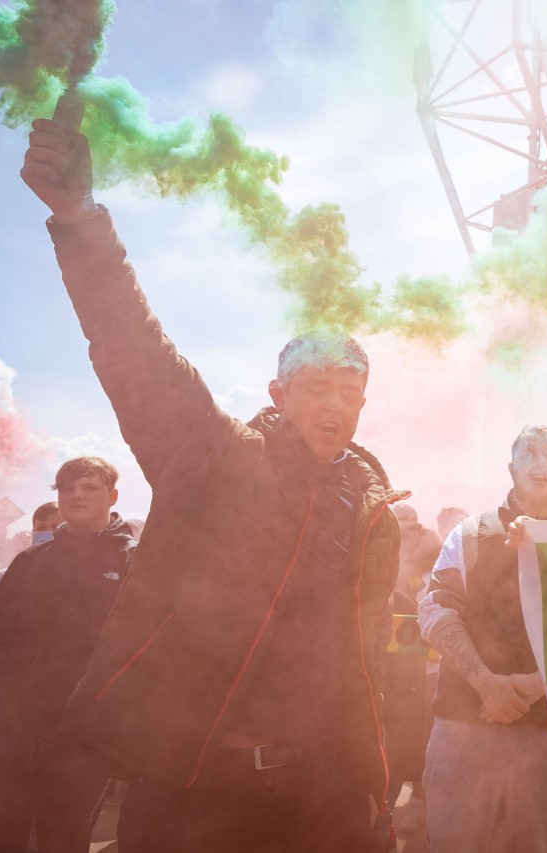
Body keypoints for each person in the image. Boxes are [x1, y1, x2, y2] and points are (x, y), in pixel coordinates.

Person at [21, 110, 403, 852]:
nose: (334, 403)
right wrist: (82, 221)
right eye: (316, 385)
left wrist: (374, 791)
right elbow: (137, 350)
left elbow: (364, 665)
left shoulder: (370, 508)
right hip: (198, 793)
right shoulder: (218, 459)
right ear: (278, 393)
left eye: (349, 390)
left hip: (323, 798)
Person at [418, 425, 547, 853]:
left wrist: (539, 685)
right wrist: (484, 682)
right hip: (464, 726)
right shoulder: (470, 533)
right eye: (529, 454)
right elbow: (436, 608)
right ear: (511, 468)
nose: (540, 463)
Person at [0, 457, 135, 852]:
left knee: (64, 835)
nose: (76, 495)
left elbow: (136, 651)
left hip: (85, 733)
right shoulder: (29, 561)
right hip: (15, 730)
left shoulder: (134, 562)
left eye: (89, 488)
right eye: (66, 488)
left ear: (112, 496)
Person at [0, 502, 63, 613]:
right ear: (34, 533)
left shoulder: (82, 577)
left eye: (56, 527)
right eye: (41, 528)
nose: (48, 533)